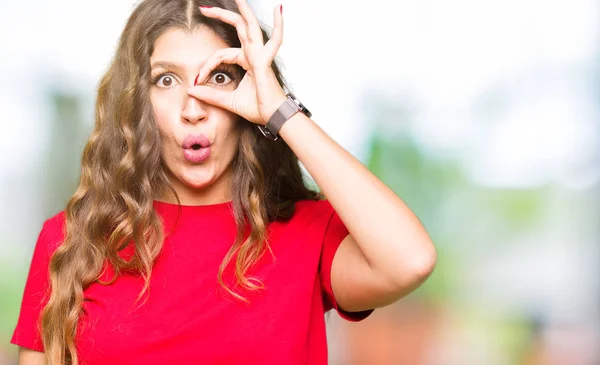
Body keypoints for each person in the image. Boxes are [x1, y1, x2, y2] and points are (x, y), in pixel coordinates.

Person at [10, 0, 437, 364]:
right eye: (166, 79)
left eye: (219, 77)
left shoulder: (310, 233)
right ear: (137, 103)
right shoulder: (70, 240)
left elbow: (410, 260)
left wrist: (279, 110)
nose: (193, 107)